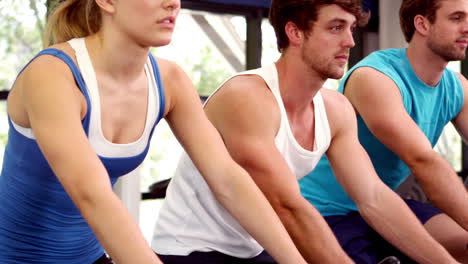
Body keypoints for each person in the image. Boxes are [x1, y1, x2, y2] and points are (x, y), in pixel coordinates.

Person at [0, 0, 308, 263]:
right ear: (107, 2)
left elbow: (227, 178)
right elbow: (91, 194)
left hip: (90, 257)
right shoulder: (53, 74)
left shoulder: (170, 80)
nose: (173, 3)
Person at [152, 0, 459, 263]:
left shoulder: (335, 109)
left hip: (257, 249)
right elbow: (287, 206)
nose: (350, 41)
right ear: (295, 32)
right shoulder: (248, 97)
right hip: (192, 250)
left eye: (352, 28)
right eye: (336, 27)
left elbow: (375, 198)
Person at [300, 0, 468, 262]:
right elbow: (424, 162)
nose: (467, 27)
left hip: (385, 205)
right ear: (423, 24)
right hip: (327, 210)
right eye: (457, 18)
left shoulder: (456, 87)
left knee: (463, 247)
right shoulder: (376, 78)